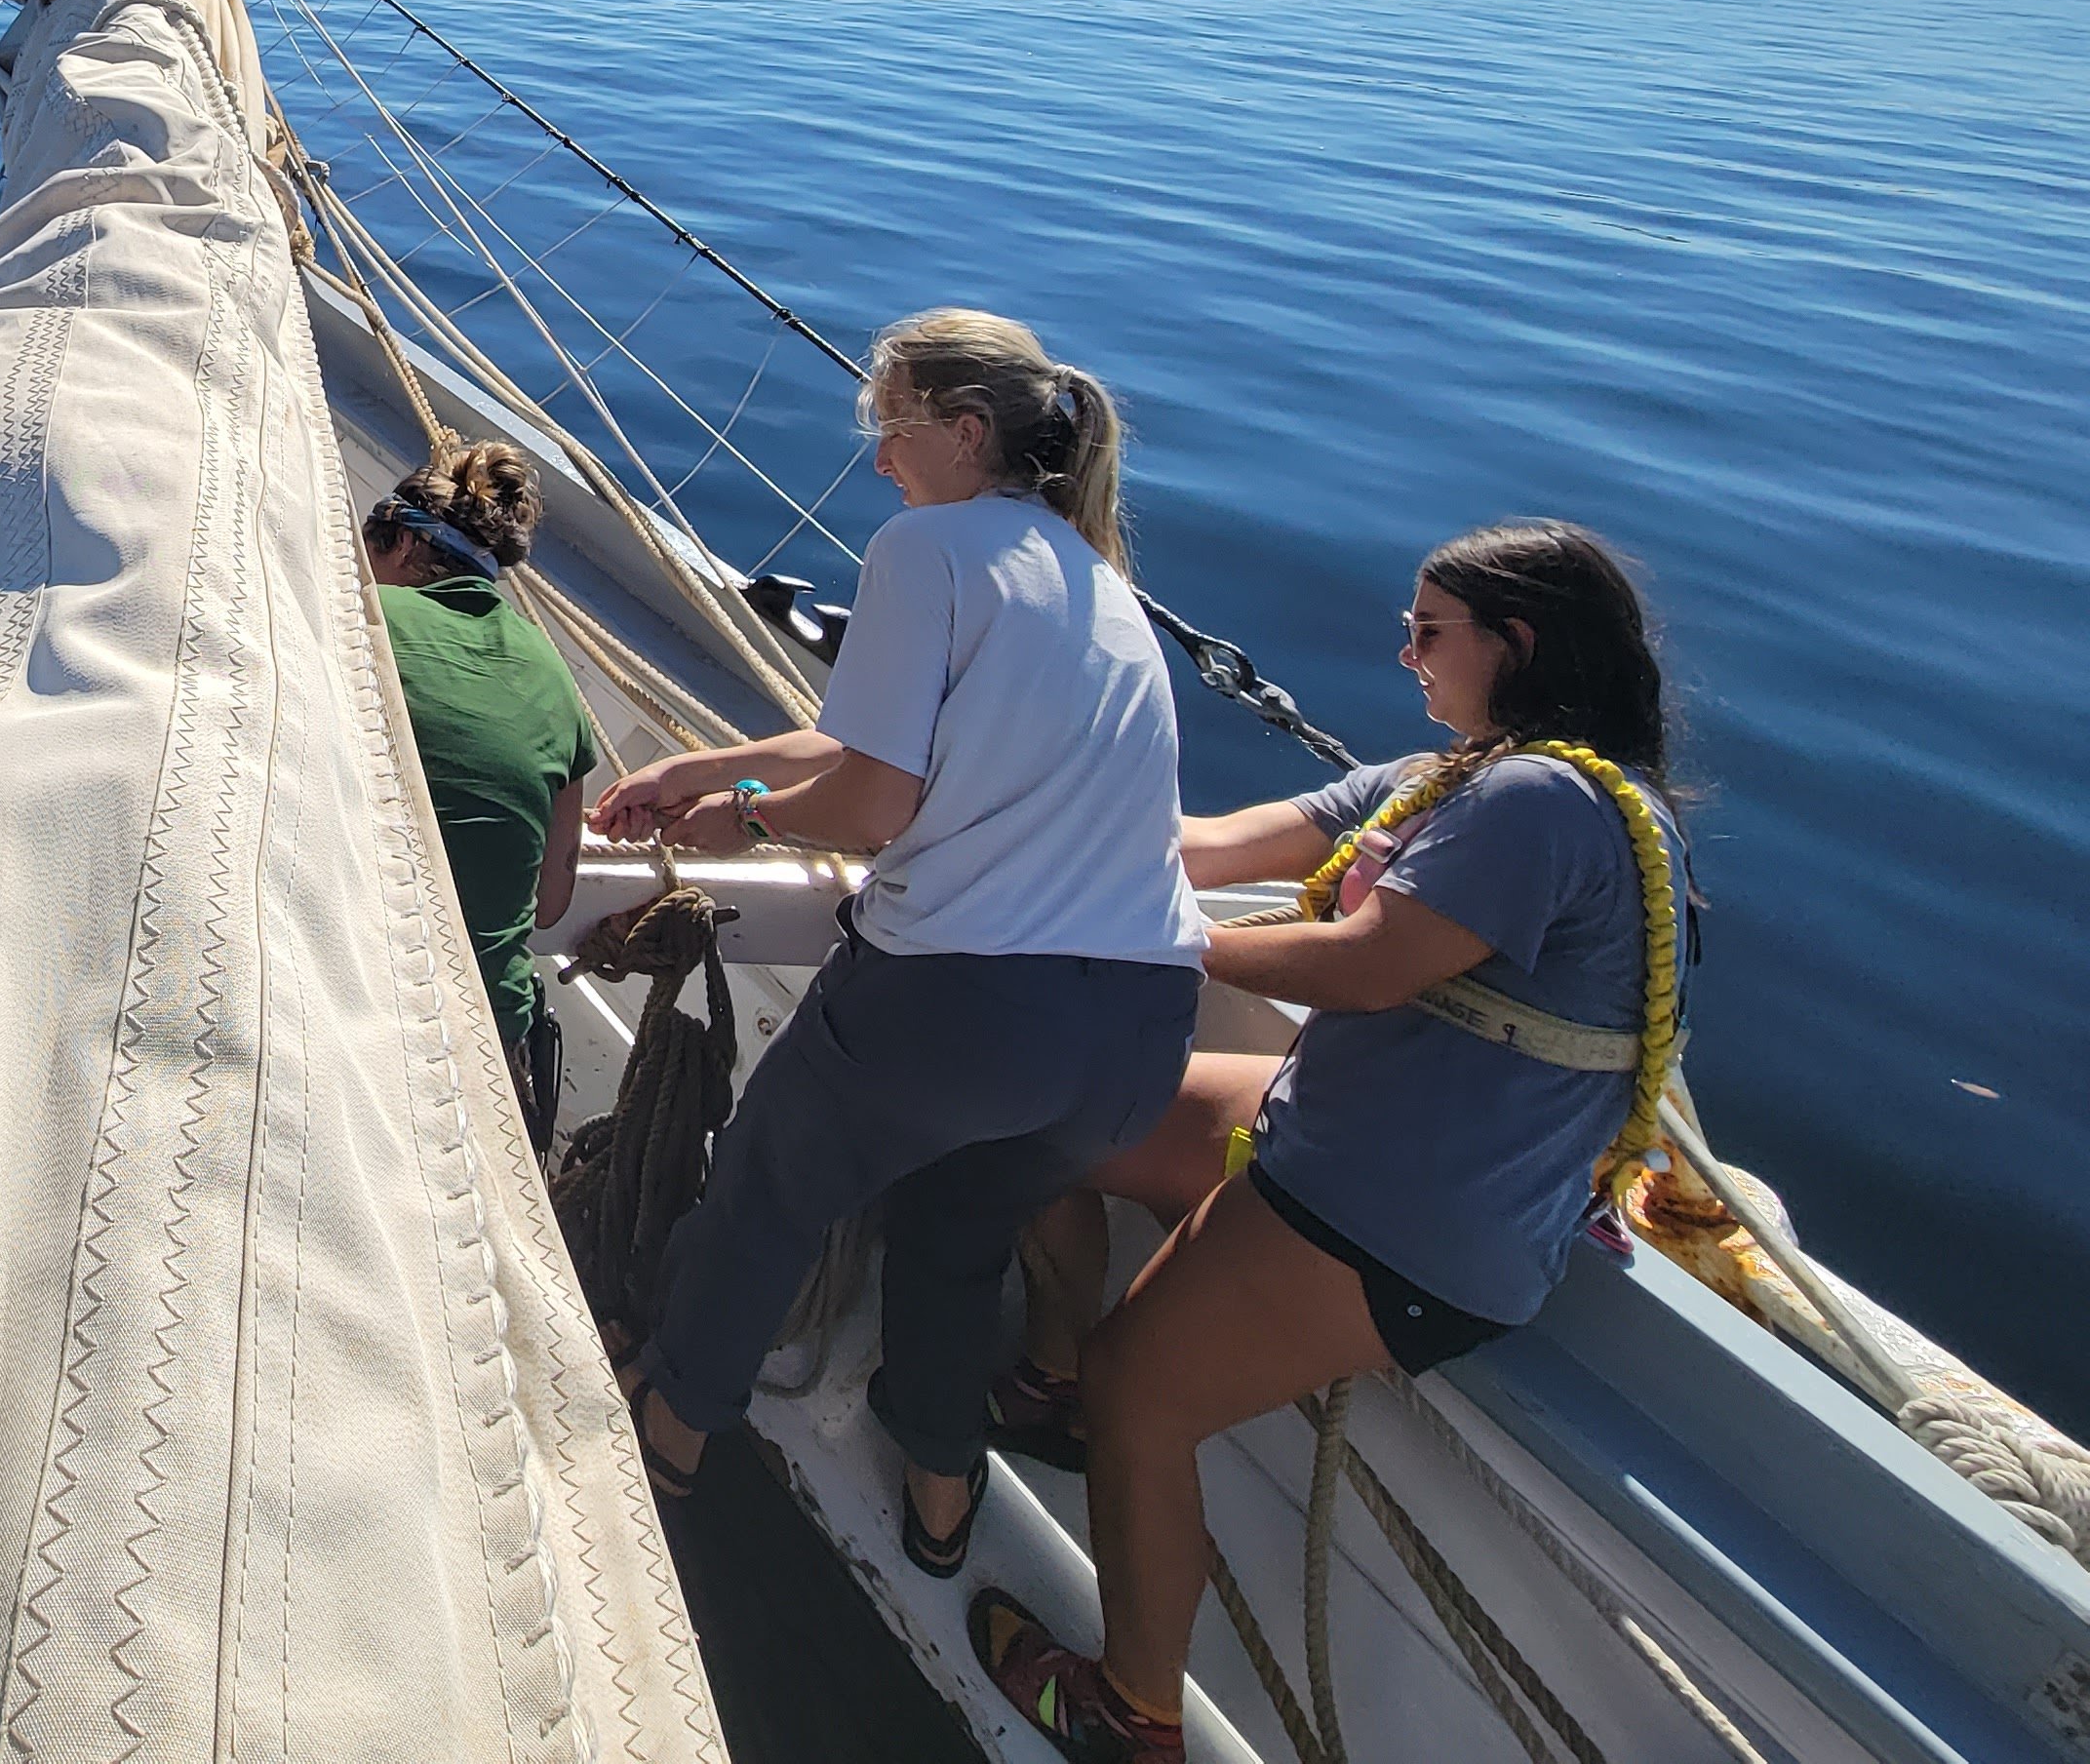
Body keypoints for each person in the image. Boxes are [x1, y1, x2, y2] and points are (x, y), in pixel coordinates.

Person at [969, 521, 1693, 1764]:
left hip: (1407, 1214)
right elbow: (1226, 842)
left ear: (1514, 643)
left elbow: (1369, 969)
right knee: (1044, 1125)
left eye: (1428, 631)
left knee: (1144, 1392)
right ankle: (1050, 1387)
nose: (1403, 650)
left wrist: (1149, 939)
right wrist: (1015, 826)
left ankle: (1129, 1710)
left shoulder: (1544, 806)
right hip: (1338, 1132)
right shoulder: (1453, 781)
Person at [588, 307, 1203, 1576]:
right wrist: (720, 762)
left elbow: (875, 805)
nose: (878, 458)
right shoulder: (1104, 587)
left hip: (959, 1013)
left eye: (891, 426)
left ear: (964, 433)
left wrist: (741, 820)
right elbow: (868, 743)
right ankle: (938, 1503)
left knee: (761, 1198)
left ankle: (664, 1451)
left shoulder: (925, 550)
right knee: (956, 1246)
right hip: (1135, 1037)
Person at [363, 442, 598, 1130]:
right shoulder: (553, 678)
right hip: (488, 1048)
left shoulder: (359, 620)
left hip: (362, 1021)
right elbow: (551, 901)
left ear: (401, 544)